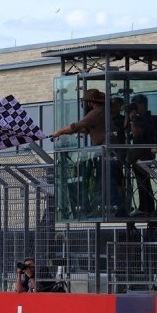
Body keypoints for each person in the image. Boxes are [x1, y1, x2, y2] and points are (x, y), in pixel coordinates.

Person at [51, 89, 123, 217]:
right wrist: (74, 131)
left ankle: (111, 208)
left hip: (107, 152)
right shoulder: (102, 112)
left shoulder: (96, 112)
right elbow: (86, 128)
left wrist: (59, 132)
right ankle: (111, 208)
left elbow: (76, 126)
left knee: (105, 180)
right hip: (108, 151)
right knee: (105, 179)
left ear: (91, 102)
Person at [126, 94, 157, 217]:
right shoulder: (139, 118)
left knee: (144, 181)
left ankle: (147, 208)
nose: (135, 107)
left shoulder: (147, 119)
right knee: (141, 181)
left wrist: (133, 120)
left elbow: (136, 134)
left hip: (144, 153)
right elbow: (125, 129)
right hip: (139, 153)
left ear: (143, 104)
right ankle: (145, 207)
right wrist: (129, 117)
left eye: (136, 104)